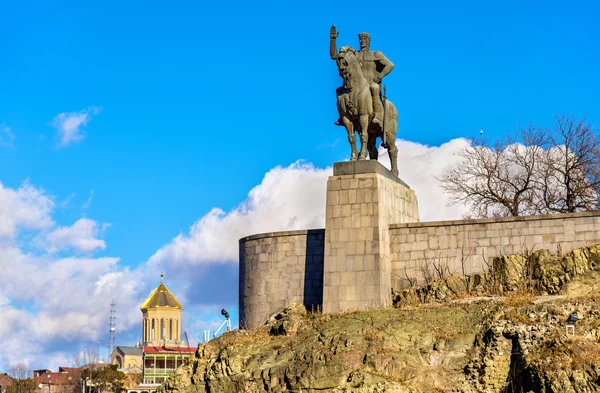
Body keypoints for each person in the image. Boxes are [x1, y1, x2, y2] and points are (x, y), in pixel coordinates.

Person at [330, 25, 394, 126]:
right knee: (339, 91)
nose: (362, 41)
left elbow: (390, 65)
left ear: (369, 41)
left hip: (371, 83)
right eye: (360, 39)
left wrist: (379, 77)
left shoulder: (376, 54)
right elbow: (335, 56)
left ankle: (377, 115)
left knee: (374, 88)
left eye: (365, 39)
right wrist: (333, 39)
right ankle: (342, 116)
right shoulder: (355, 55)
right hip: (357, 85)